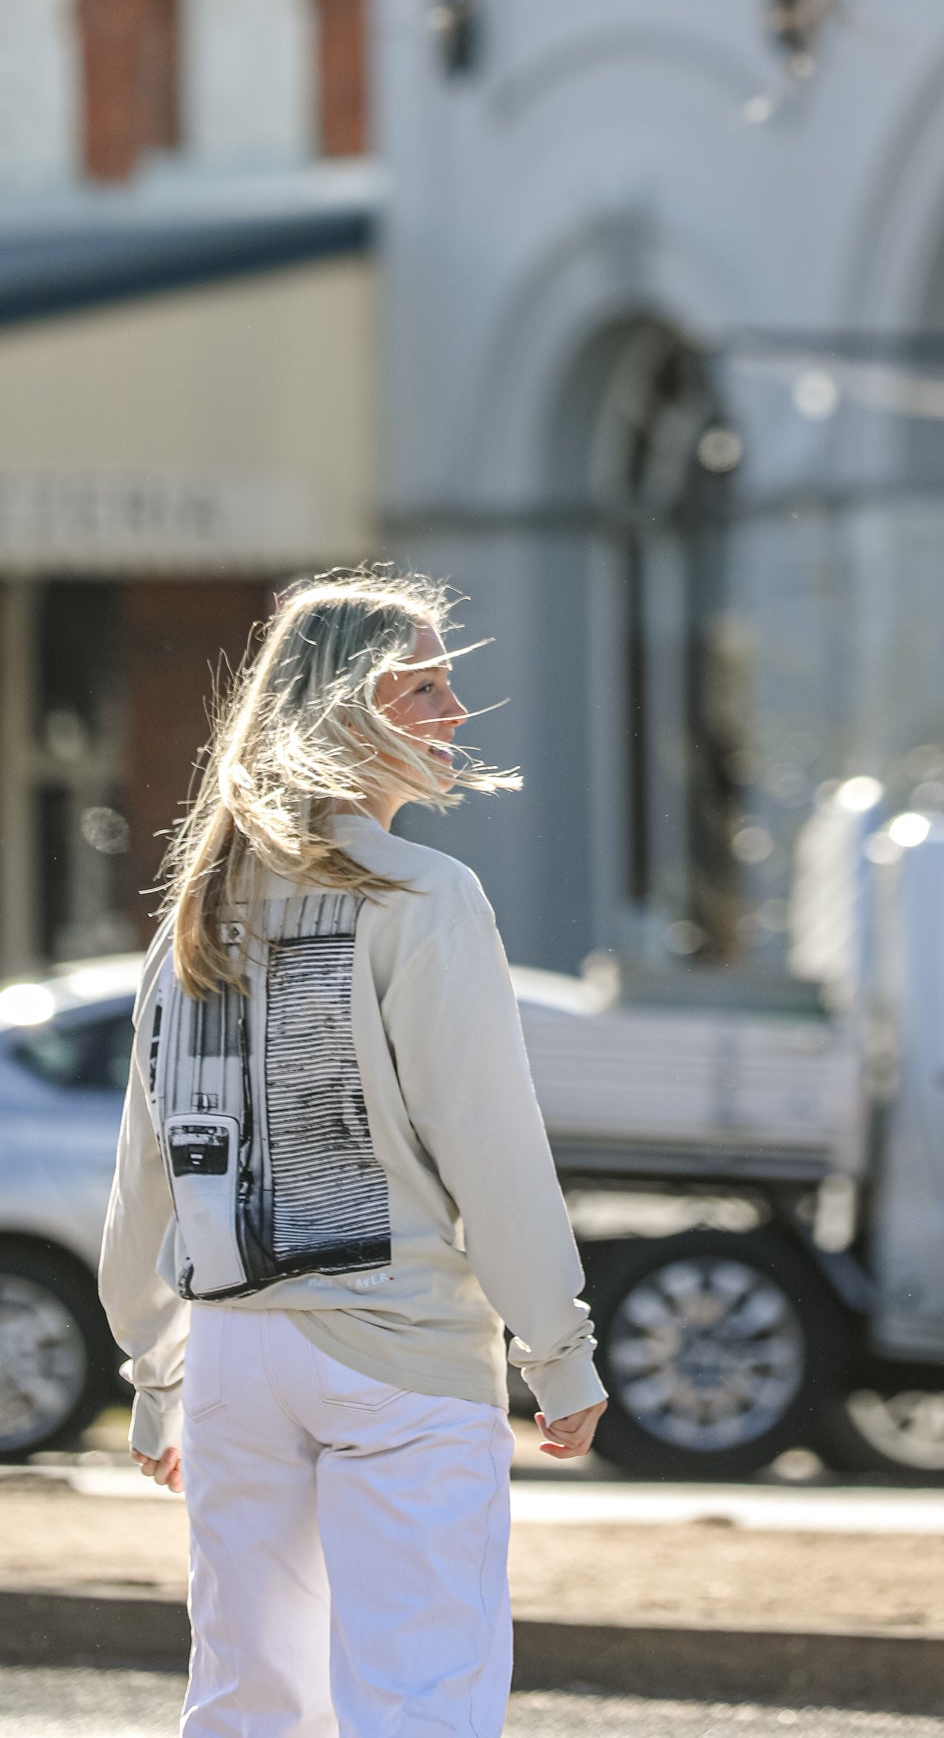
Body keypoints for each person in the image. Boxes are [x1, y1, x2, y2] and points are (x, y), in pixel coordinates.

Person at [99, 568, 607, 1738]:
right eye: (420, 686)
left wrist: (154, 1365)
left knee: (245, 1698)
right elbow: (489, 1142)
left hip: (231, 1352)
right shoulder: (424, 894)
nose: (454, 714)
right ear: (344, 711)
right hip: (401, 1352)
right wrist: (558, 1349)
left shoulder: (197, 904)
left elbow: (153, 1164)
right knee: (419, 1694)